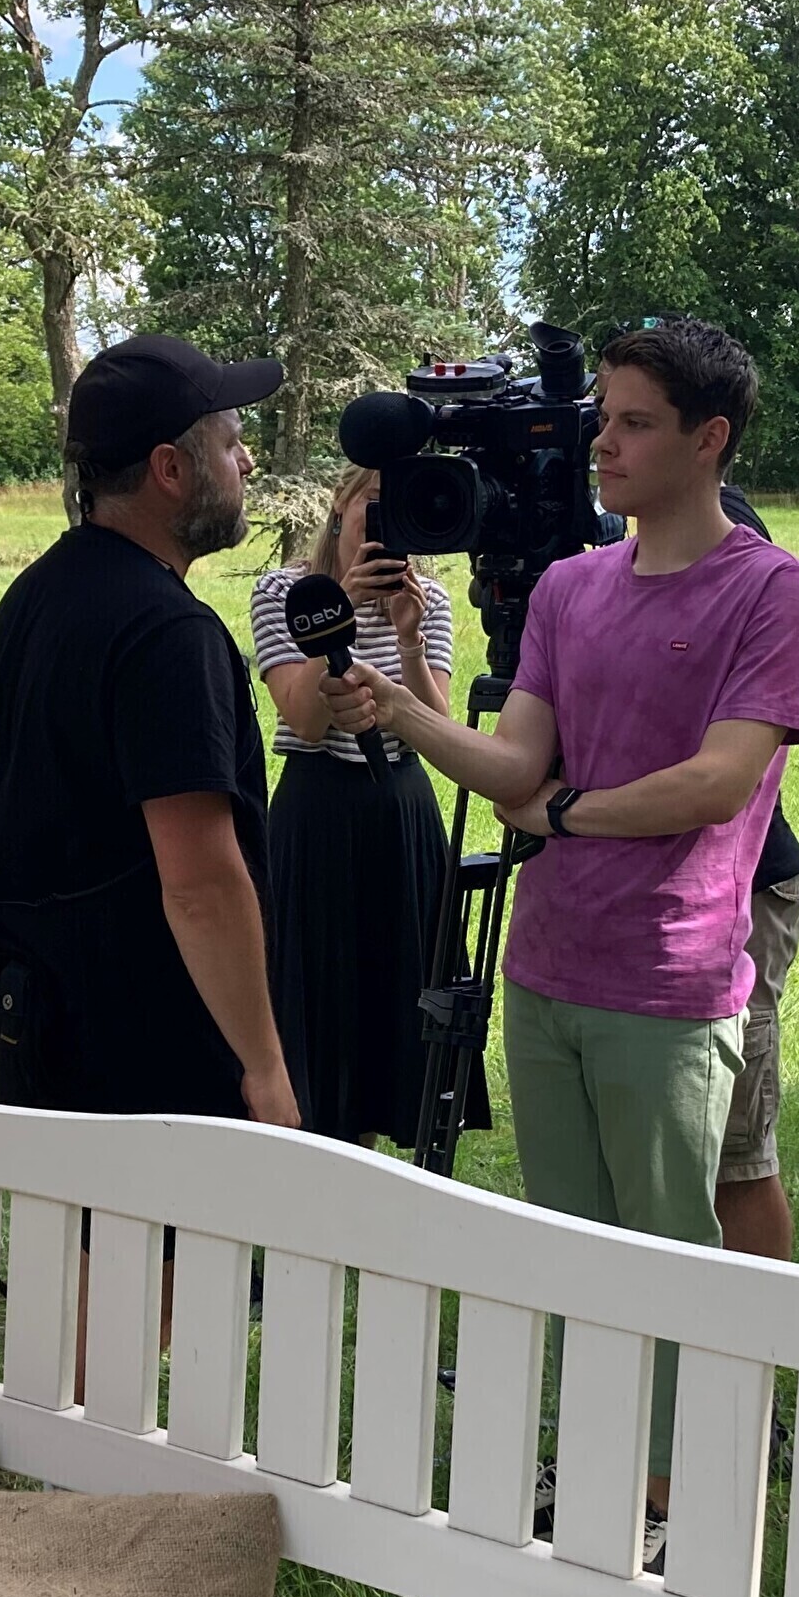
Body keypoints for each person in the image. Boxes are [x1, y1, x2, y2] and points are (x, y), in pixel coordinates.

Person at [322, 318, 799, 1566]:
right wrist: (397, 701)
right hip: (543, 971)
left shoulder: (771, 588)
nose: (603, 441)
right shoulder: (565, 589)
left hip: (669, 976)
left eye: (635, 421)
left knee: (668, 1251)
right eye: (603, 415)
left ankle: (675, 1489)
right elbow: (511, 770)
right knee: (573, 1248)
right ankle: (597, 1456)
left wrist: (565, 815)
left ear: (708, 439)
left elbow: (717, 781)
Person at [0, 334, 298, 1128]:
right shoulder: (167, 633)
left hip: (36, 1030)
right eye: (232, 445)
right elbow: (201, 886)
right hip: (149, 1064)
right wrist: (265, 1066)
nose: (247, 464)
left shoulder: (36, 594)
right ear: (171, 469)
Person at [249, 467, 481, 1147]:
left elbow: (437, 729)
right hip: (317, 807)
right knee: (314, 992)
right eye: (372, 505)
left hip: (399, 807)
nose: (381, 524)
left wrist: (409, 638)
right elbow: (304, 717)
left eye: (397, 510)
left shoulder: (428, 601)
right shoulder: (284, 592)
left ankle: (376, 1151)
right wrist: (338, 613)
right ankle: (309, 1145)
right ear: (339, 506)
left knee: (397, 995)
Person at [713, 482, 799, 1263]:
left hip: (748, 883)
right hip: (664, 887)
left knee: (737, 1145)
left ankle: (760, 1325)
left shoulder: (722, 522)